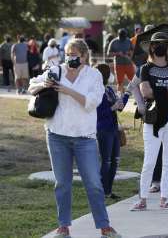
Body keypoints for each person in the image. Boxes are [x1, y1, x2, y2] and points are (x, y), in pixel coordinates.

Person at [28, 38, 121, 238]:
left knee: (94, 184)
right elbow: (31, 86)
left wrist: (67, 90)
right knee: (62, 184)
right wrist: (45, 84)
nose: (70, 58)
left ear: (84, 56)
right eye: (68, 54)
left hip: (84, 138)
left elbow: (92, 103)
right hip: (56, 135)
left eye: (74, 55)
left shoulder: (93, 75)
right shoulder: (57, 70)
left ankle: (104, 227)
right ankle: (63, 227)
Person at [131, 32, 168, 211]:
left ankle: (164, 198)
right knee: (149, 160)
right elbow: (145, 92)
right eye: (156, 44)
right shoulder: (145, 68)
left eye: (163, 43)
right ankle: (143, 199)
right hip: (153, 118)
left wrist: (159, 91)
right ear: (151, 47)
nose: (159, 46)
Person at [96, 64, 127, 200]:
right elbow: (97, 114)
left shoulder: (108, 89)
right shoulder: (96, 91)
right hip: (104, 130)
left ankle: (108, 191)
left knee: (115, 161)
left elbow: (118, 108)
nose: (112, 75)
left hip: (114, 129)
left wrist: (125, 96)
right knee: (106, 161)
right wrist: (112, 108)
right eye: (110, 73)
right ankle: (103, 191)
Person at [107, 28, 135, 94]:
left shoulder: (128, 41)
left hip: (128, 63)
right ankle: (120, 97)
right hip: (118, 64)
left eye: (124, 37)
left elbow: (133, 50)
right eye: (121, 37)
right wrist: (117, 53)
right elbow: (108, 53)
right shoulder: (114, 42)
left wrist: (129, 53)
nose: (123, 39)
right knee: (120, 82)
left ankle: (137, 96)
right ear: (118, 35)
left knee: (134, 81)